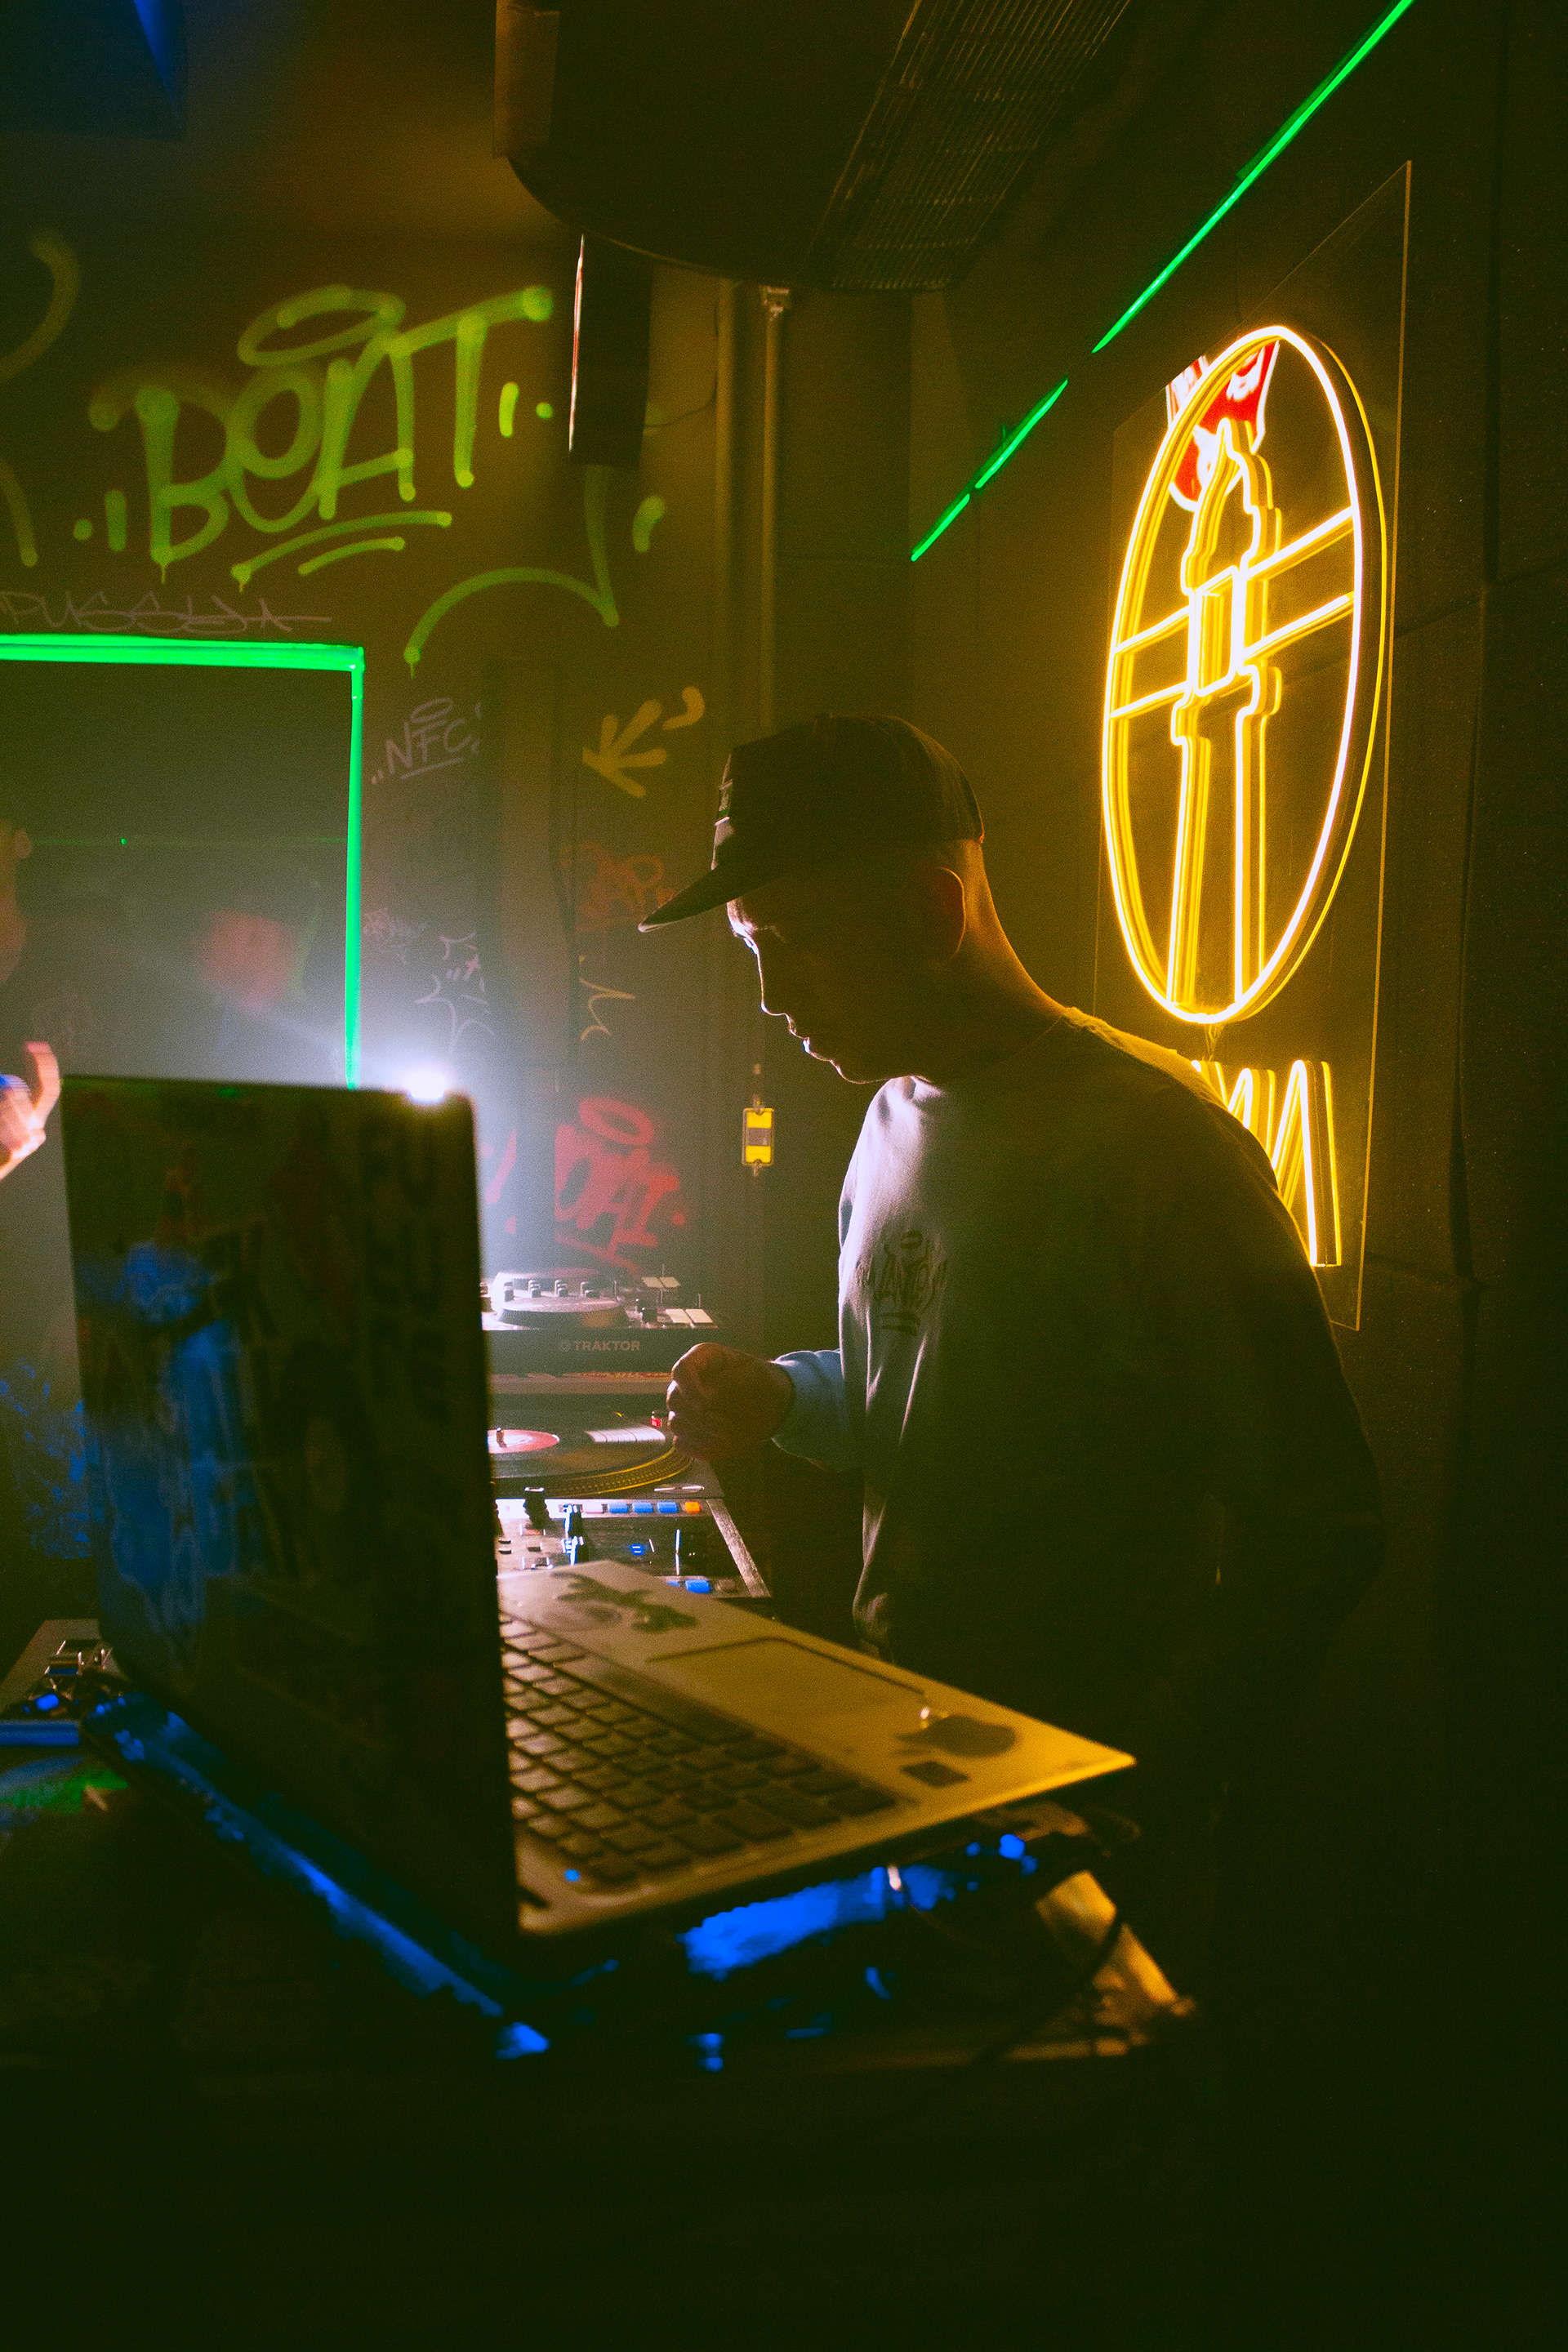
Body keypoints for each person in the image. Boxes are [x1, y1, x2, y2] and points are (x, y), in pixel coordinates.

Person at [644, 714, 1383, 1897]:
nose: (772, 995)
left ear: (932, 911)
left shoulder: (1158, 1147)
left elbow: (1321, 1520)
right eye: (751, 946)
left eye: (796, 938)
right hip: (916, 1755)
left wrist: (1151, 1776)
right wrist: (783, 1395)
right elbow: (926, 1393)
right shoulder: (889, 1119)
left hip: (1085, 1807)